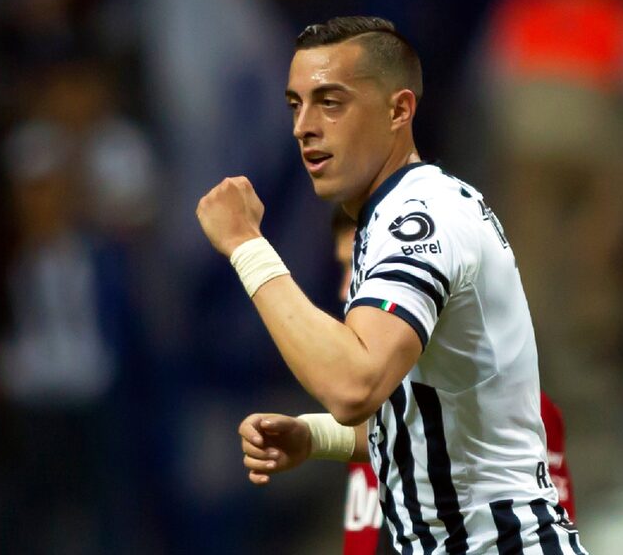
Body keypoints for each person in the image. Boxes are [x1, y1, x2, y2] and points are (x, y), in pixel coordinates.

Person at [196, 16, 587, 553]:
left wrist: (247, 245)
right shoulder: (397, 215)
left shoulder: (417, 219)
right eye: (296, 104)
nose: (303, 126)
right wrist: (315, 436)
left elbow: (353, 386)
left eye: (330, 102)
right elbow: (432, 419)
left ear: (399, 110)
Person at [238, 208, 578, 554]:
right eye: (344, 269)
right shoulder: (381, 409)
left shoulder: (518, 412)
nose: (346, 291)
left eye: (362, 270)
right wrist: (312, 436)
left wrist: (244, 244)